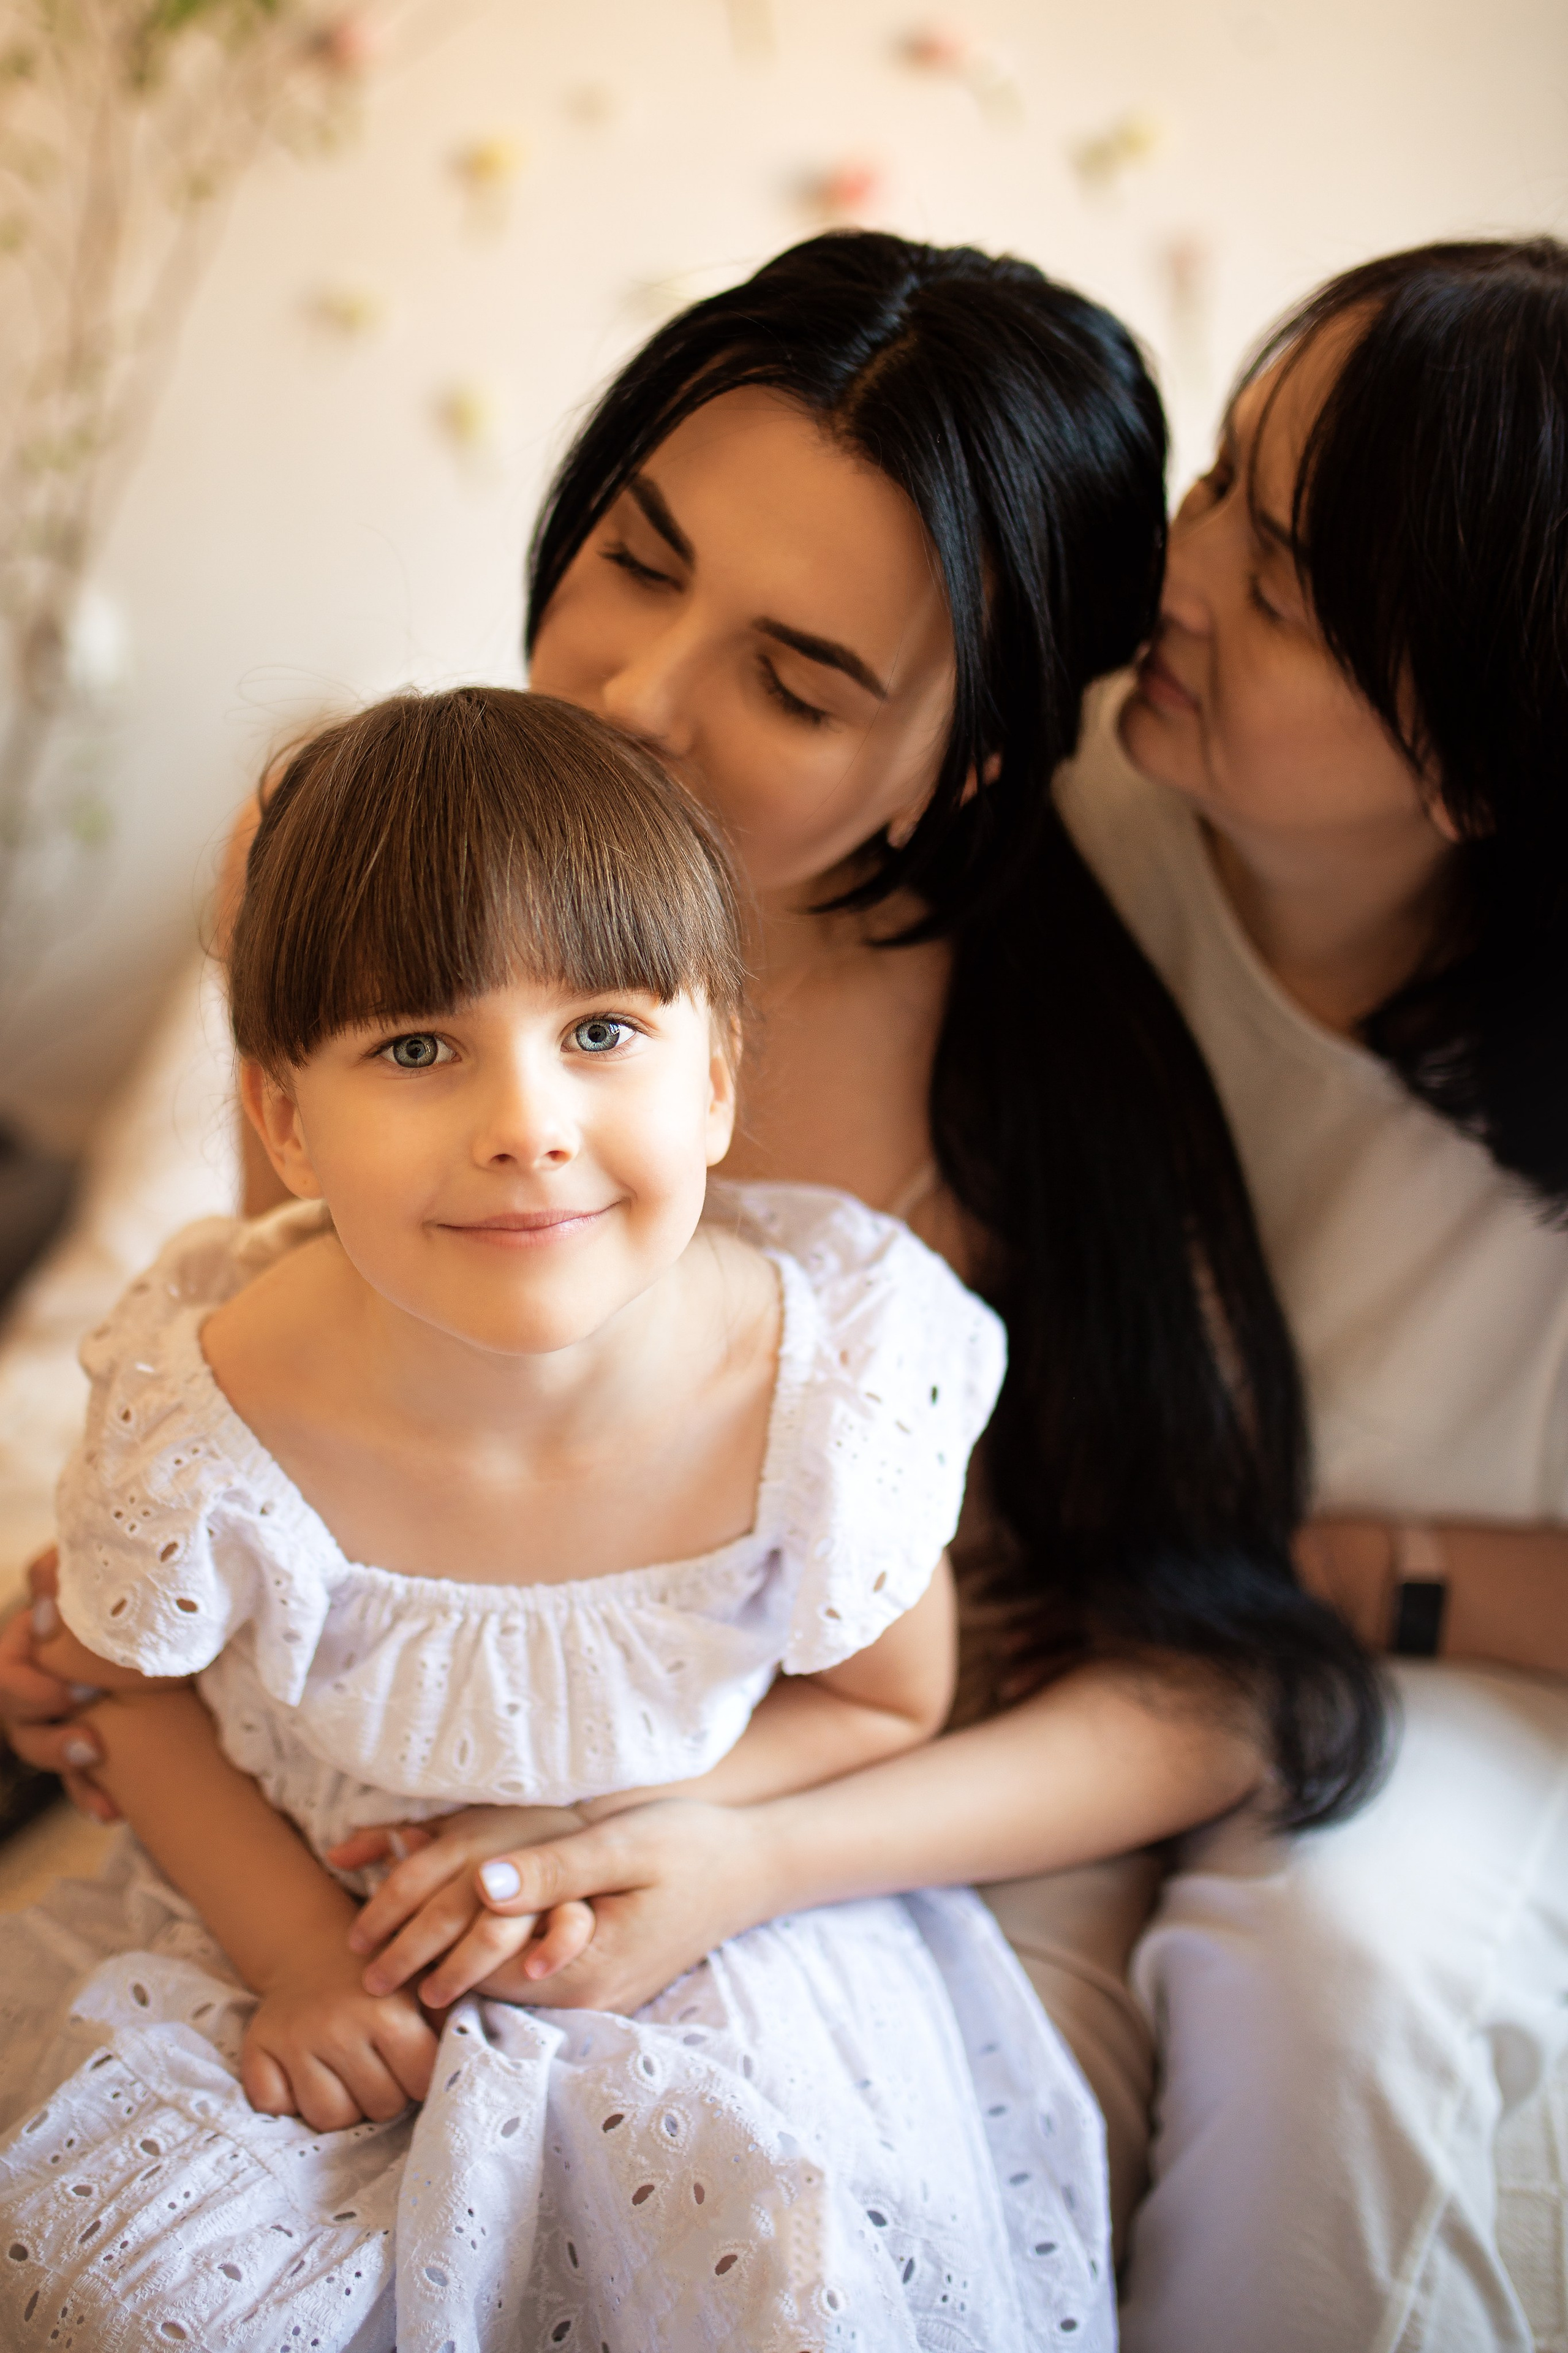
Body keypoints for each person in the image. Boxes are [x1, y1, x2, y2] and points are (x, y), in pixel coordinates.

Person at [0, 233, 1392, 2320]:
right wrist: (123, 1628)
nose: (636, 695)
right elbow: (287, 1311)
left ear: (971, 756)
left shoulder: (1028, 1104)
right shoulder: (341, 841)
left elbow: (1224, 1680)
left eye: (801, 675)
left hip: (848, 1866)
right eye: (637, 560)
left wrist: (744, 1853)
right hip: (341, 1866)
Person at [368, 237, 1568, 2351]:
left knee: (1339, 1996)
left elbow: (1194, 1660)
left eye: (1280, 589)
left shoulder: (1033, 1060)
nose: (1177, 594)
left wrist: (738, 1836)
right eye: (1225, 496)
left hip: (1198, 1675)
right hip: (509, 1813)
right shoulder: (1070, 797)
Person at [0, 682, 1122, 2352]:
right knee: (146, 2291)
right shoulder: (214, 1394)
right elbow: (121, 1687)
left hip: (698, 1935)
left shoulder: (824, 1379)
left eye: (601, 1030)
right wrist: (305, 1954)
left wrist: (623, 1826)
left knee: (790, 2268)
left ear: (720, 1078)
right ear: (285, 1116)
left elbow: (889, 1696)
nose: (526, 1122)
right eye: (418, 1046)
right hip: (293, 1937)